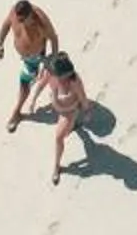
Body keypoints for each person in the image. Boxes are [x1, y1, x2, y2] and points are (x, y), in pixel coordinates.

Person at [0, 0, 59, 133]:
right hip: (25, 56)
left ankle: (16, 113)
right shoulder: (15, 12)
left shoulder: (41, 23)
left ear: (31, 15)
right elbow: (6, 24)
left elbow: (53, 38)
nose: (20, 23)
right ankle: (51, 79)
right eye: (18, 20)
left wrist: (52, 59)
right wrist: (0, 44)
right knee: (33, 81)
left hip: (34, 58)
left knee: (24, 85)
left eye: (23, 20)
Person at [33, 52, 92, 185]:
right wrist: (33, 100)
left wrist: (87, 111)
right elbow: (42, 84)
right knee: (78, 134)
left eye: (59, 76)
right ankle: (74, 127)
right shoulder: (52, 72)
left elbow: (83, 97)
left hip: (68, 112)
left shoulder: (74, 81)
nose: (56, 78)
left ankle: (57, 166)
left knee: (59, 137)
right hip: (57, 108)